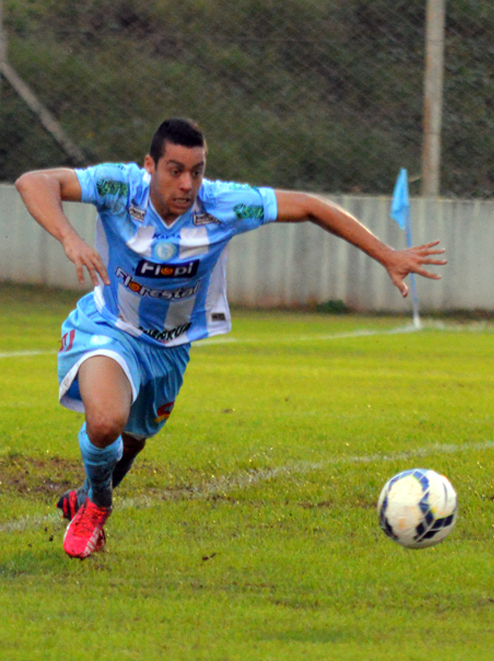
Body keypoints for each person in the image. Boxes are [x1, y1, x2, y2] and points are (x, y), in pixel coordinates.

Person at [15, 117, 446, 559]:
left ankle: (87, 492)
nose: (188, 183)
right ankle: (97, 509)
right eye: (175, 170)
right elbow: (34, 181)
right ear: (150, 165)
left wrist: (388, 255)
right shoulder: (119, 188)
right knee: (106, 422)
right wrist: (69, 238)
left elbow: (312, 207)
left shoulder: (223, 205)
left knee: (132, 440)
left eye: (197, 171)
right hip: (110, 328)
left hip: (170, 349)